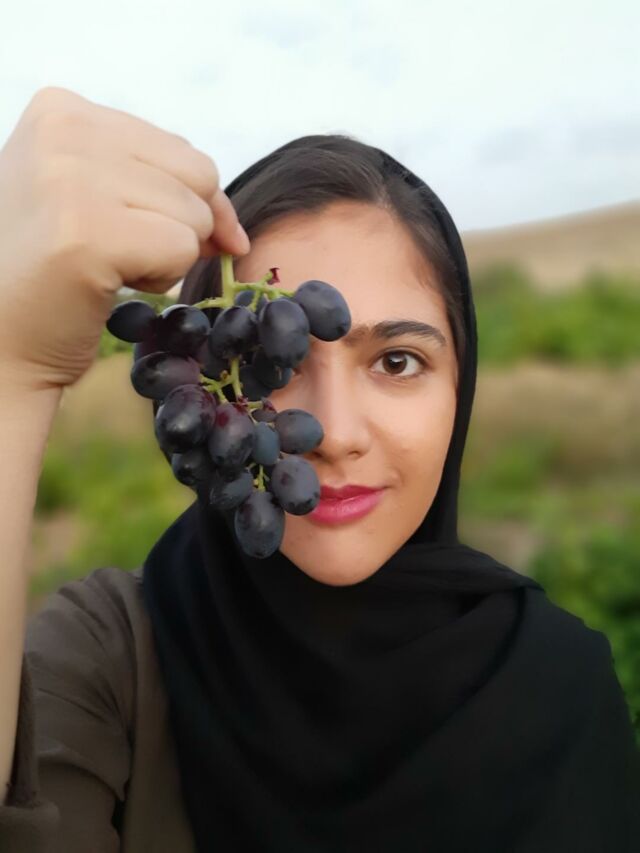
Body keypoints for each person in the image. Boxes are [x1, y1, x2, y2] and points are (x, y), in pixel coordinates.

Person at [0, 86, 638, 852]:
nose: (332, 434)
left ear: (460, 388)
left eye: (397, 361)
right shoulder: (108, 656)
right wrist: (11, 374)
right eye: (272, 363)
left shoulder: (560, 680)